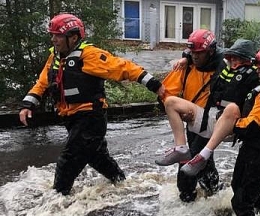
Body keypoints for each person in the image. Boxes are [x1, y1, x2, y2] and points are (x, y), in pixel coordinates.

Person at [19, 13, 165, 196]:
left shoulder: (90, 55)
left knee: (69, 160)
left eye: (57, 35)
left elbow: (124, 68)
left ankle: (56, 201)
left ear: (73, 38)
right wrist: (28, 104)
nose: (53, 39)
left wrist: (155, 85)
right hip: (71, 118)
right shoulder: (54, 57)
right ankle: (125, 185)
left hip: (90, 118)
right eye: (52, 35)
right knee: (97, 158)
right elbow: (42, 83)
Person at [183, 45, 260, 216]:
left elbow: (252, 126)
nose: (258, 70)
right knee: (238, 187)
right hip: (252, 150)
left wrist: (229, 124)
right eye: (258, 66)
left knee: (241, 201)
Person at [156, 29, 224, 202]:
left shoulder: (223, 68)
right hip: (191, 122)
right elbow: (165, 94)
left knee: (188, 161)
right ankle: (213, 192)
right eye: (192, 52)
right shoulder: (186, 67)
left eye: (199, 53)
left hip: (210, 122)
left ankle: (186, 197)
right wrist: (179, 111)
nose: (195, 56)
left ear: (211, 51)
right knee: (203, 159)